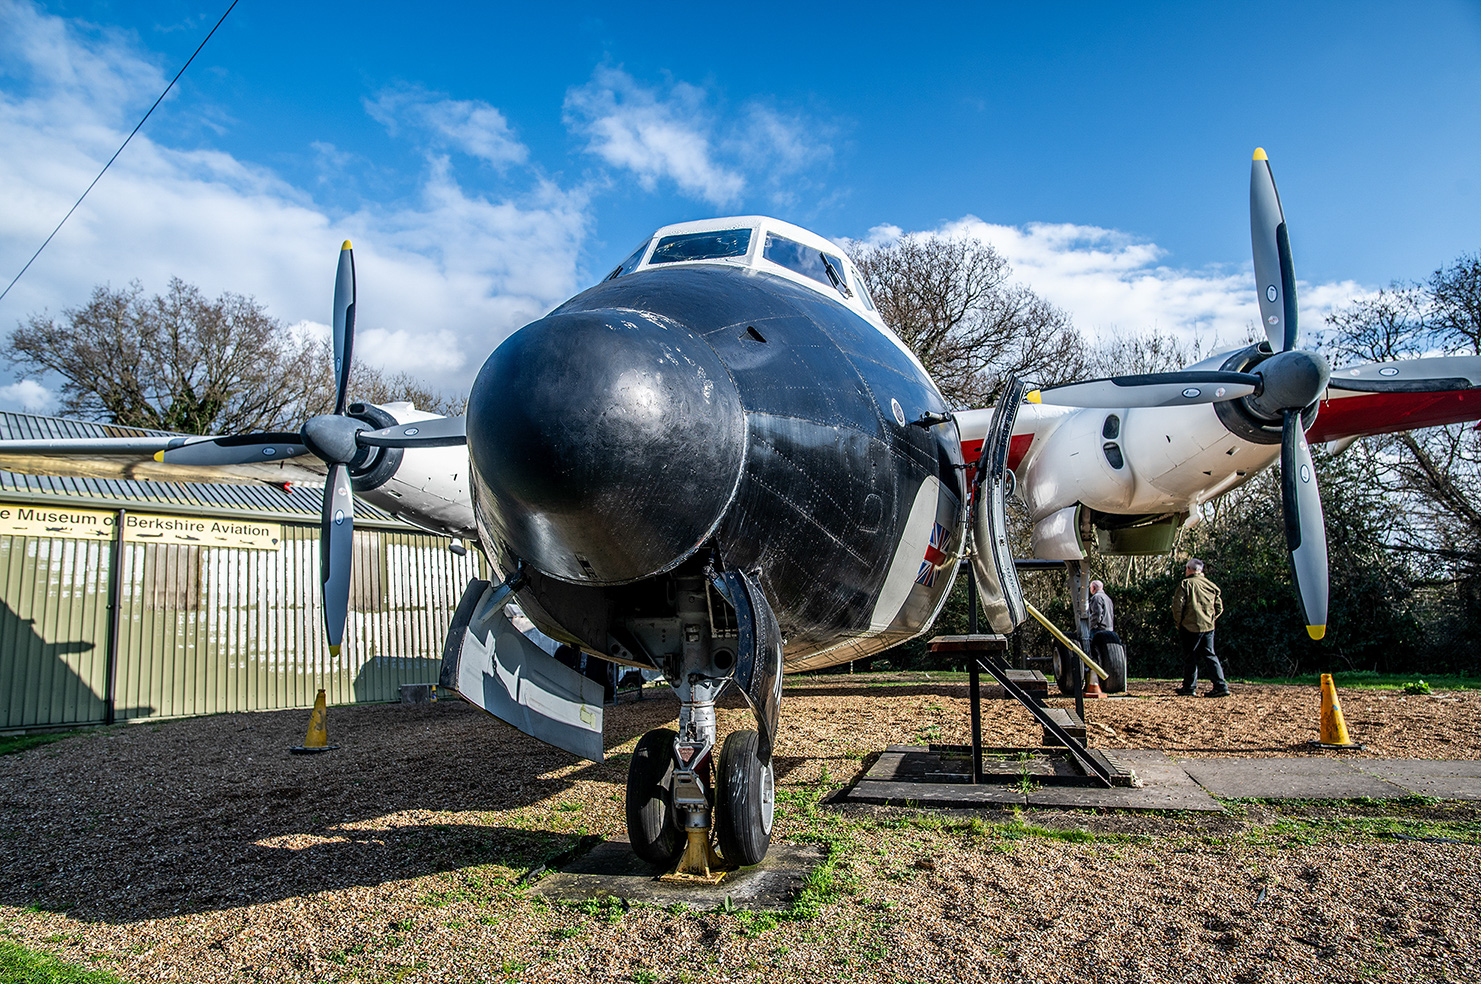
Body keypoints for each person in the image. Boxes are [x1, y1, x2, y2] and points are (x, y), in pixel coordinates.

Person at [1172, 558, 1229, 697]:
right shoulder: (1211, 585)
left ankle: (1189, 687)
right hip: (1208, 626)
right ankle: (1220, 685)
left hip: (1189, 626)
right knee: (1210, 654)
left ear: (1188, 569)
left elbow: (1177, 607)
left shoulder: (1185, 584)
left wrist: (1179, 623)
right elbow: (1219, 607)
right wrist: (1211, 619)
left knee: (1190, 656)